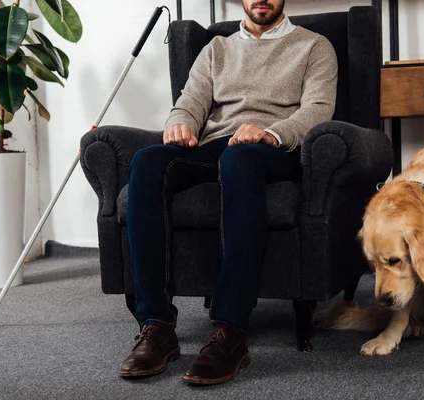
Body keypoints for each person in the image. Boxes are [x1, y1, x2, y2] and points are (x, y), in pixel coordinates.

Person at [119, 0, 338, 385]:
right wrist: (180, 124)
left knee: (240, 160)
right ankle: (156, 325)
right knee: (148, 161)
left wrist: (271, 132)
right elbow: (189, 103)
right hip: (220, 145)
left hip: (276, 149)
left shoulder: (314, 46)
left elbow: (318, 111)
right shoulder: (217, 49)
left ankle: (231, 331)